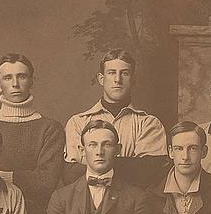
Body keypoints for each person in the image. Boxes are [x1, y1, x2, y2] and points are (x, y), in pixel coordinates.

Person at [63, 49, 168, 188]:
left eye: (124, 73)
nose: (117, 80)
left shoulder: (148, 123)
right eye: (111, 73)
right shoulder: (78, 122)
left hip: (131, 206)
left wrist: (94, 164)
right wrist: (129, 165)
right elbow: (71, 174)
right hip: (86, 204)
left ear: (133, 79)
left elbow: (149, 173)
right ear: (101, 79)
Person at [0, 53, 65, 214]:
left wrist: (2, 176)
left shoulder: (50, 128)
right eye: (8, 78)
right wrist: (26, 177)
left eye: (21, 76)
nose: (15, 84)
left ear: (32, 81)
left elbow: (46, 183)